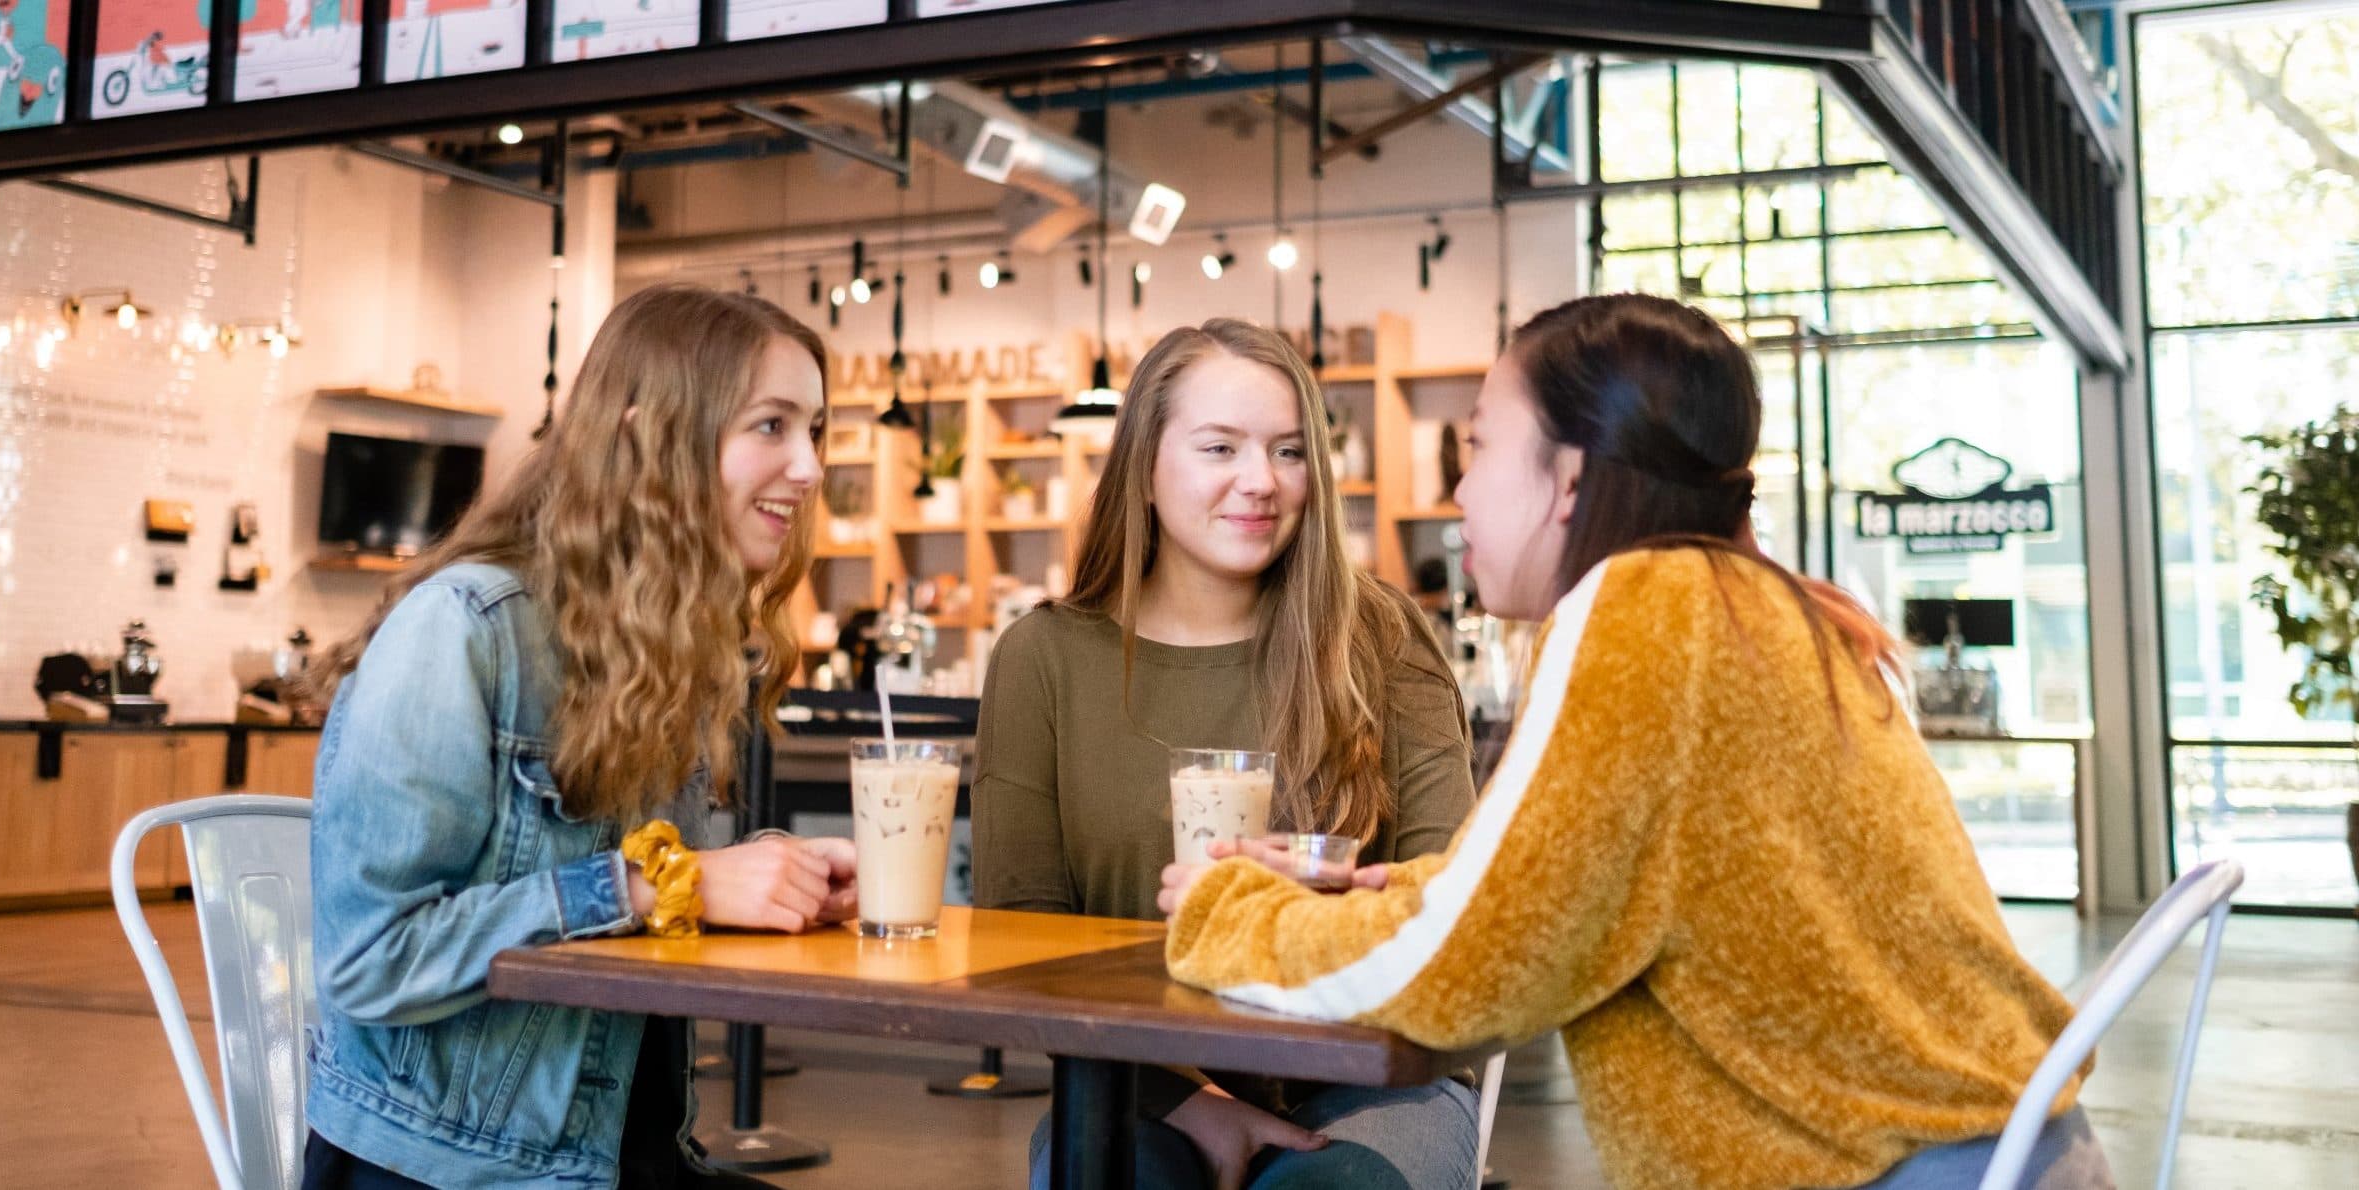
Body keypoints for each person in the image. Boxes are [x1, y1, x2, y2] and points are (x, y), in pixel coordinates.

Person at [1160, 294, 2114, 1190]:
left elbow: (1470, 974)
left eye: (1480, 446)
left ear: (1567, 478)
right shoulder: (1753, 605)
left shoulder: (1641, 616)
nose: (1458, 490)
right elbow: (1567, 891)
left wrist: (1221, 913)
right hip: (1998, 1151)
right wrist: (1381, 889)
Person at [303, 284, 860, 1189]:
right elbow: (372, 963)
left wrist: (766, 877)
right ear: (646, 437)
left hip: (610, 1157)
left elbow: (647, 901)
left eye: (816, 431)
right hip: (446, 1170)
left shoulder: (666, 640)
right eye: (771, 426)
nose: (807, 467)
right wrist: (655, 888)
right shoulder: (463, 629)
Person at [976, 318, 1482, 1190]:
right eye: (1221, 448)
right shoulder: (1045, 658)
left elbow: (1461, 905)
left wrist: (1312, 926)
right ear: (1141, 468)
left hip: (1373, 1076)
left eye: (1289, 452)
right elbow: (1020, 941)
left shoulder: (1383, 637)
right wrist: (1191, 1100)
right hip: (1136, 1083)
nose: (1261, 483)